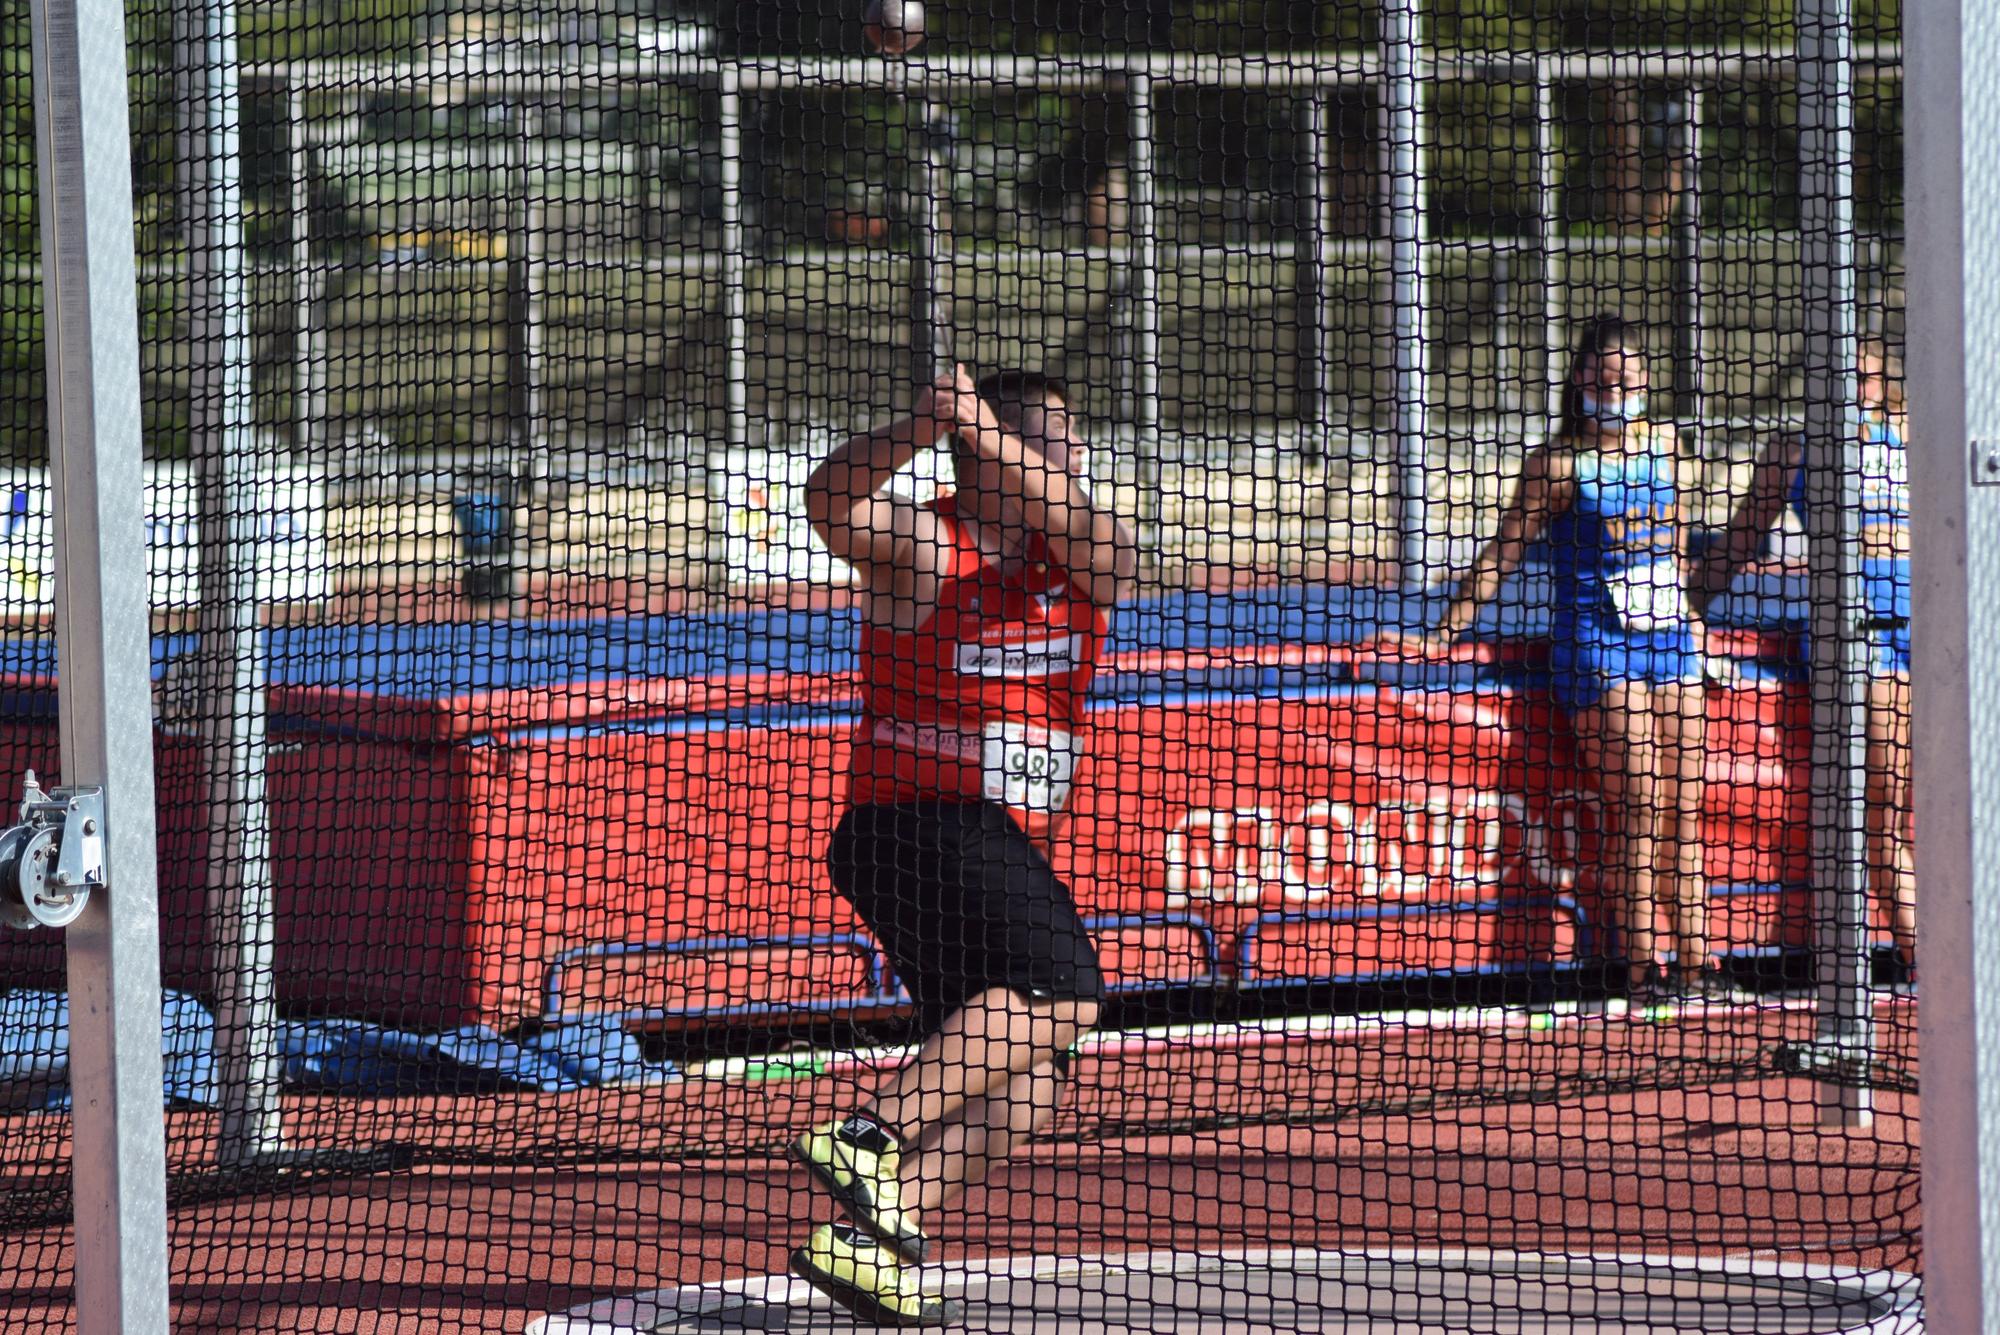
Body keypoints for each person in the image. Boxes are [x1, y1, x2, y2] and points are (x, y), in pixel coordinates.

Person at [788, 364, 1138, 1325]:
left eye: (1067, 442)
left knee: (1031, 1081)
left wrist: (1001, 438)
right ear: (987, 451)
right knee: (1068, 991)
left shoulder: (1082, 552)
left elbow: (1102, 544)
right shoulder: (923, 543)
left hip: (988, 843)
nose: (1072, 457)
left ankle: (870, 1235)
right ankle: (869, 1134)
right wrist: (922, 426)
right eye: (1053, 439)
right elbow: (829, 502)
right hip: (914, 821)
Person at [1430, 315, 1734, 1006]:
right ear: (1580, 383)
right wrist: (1445, 631)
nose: (1616, 389)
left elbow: (1677, 546)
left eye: (1627, 378)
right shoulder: (1557, 465)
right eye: (1603, 379)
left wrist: (1695, 623)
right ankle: (1638, 969)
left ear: (1647, 380)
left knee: (1683, 810)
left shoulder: (1669, 446)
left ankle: (1698, 965)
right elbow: (1503, 552)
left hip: (1671, 645)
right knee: (1640, 805)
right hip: (1599, 649)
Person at [1698, 340, 1914, 984]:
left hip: (1936, 612)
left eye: (1870, 371)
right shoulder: (1792, 451)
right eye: (1846, 369)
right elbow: (1742, 536)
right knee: (1885, 800)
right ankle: (1924, 956)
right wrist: (1686, 606)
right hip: (1854, 622)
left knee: (1956, 800)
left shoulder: (1915, 435)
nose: (1859, 382)